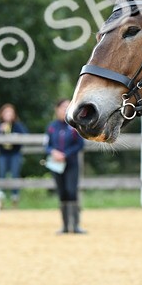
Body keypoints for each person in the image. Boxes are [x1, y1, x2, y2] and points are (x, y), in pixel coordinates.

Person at [46, 98, 86, 234]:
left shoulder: (75, 126)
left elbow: (80, 144)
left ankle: (75, 225)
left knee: (71, 191)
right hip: (57, 164)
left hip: (71, 163)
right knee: (62, 193)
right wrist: (53, 152)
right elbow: (47, 145)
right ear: (57, 109)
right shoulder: (52, 127)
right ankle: (64, 226)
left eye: (67, 107)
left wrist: (66, 154)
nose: (65, 109)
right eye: (62, 107)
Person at [0, 104, 28, 204]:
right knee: (1, 174)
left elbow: (25, 135)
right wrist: (0, 131)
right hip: (3, 154)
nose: (8, 114)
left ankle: (15, 197)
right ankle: (0, 197)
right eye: (6, 112)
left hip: (15, 153)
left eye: (10, 112)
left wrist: (16, 137)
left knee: (15, 174)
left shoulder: (17, 125)